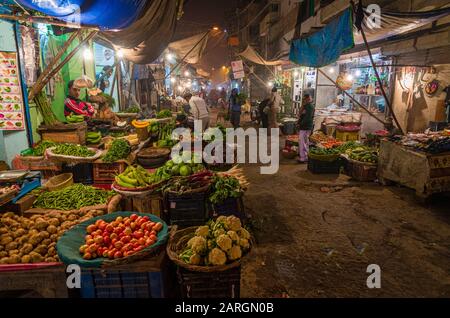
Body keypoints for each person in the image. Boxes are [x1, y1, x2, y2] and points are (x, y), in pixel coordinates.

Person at [297, 94, 315, 163]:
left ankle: (303, 158)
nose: (304, 100)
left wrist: (300, 124)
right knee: (305, 141)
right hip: (305, 126)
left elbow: (308, 117)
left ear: (308, 99)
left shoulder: (309, 106)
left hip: (305, 127)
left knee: (303, 142)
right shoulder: (306, 106)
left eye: (304, 99)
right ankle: (305, 156)